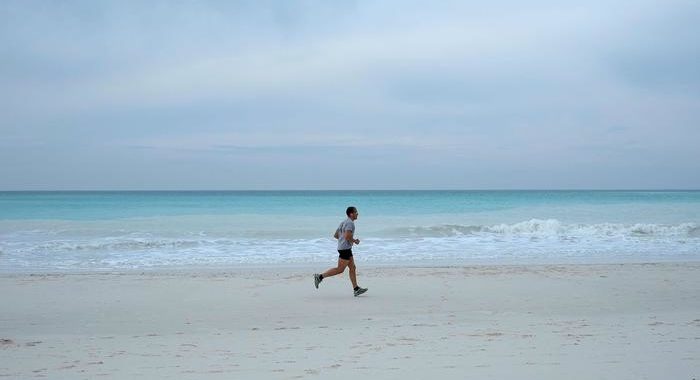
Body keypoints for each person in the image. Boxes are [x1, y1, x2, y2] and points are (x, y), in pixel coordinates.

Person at [314, 206, 368, 297]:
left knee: (353, 267)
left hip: (344, 248)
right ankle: (319, 277)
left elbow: (336, 235)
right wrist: (355, 241)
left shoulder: (343, 222)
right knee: (340, 269)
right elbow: (347, 236)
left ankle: (356, 289)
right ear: (351, 214)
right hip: (345, 249)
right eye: (356, 212)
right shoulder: (350, 223)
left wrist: (343, 241)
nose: (357, 214)